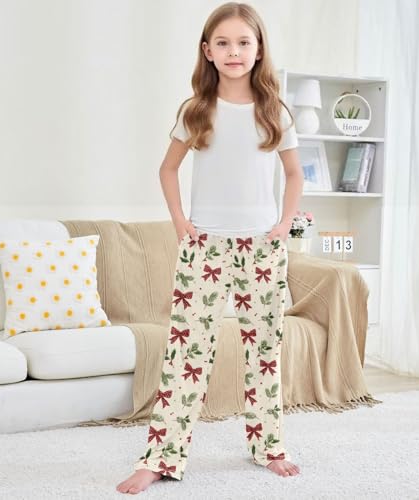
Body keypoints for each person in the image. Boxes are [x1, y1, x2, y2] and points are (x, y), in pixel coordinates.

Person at [117, 2, 303, 494]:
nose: (233, 51)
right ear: (207, 50)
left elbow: (293, 173)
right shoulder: (196, 111)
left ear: (258, 50)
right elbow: (167, 168)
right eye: (223, 43)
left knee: (265, 351)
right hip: (205, 248)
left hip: (262, 249)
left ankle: (270, 446)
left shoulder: (274, 112)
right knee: (186, 353)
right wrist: (181, 222)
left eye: (243, 42)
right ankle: (161, 457)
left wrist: (284, 224)